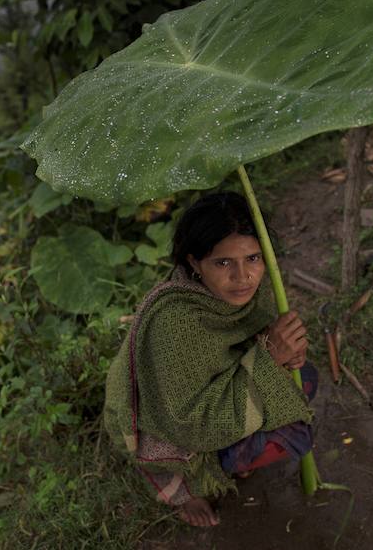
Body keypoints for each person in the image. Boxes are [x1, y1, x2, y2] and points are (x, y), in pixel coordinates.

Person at [104, 191, 316, 527]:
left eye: (253, 258)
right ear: (193, 263)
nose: (242, 276)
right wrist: (272, 356)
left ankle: (237, 457)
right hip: (171, 426)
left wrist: (285, 352)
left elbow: (251, 340)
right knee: (289, 437)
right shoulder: (176, 323)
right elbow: (188, 425)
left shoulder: (246, 290)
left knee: (306, 376)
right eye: (223, 262)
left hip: (221, 389)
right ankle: (188, 490)